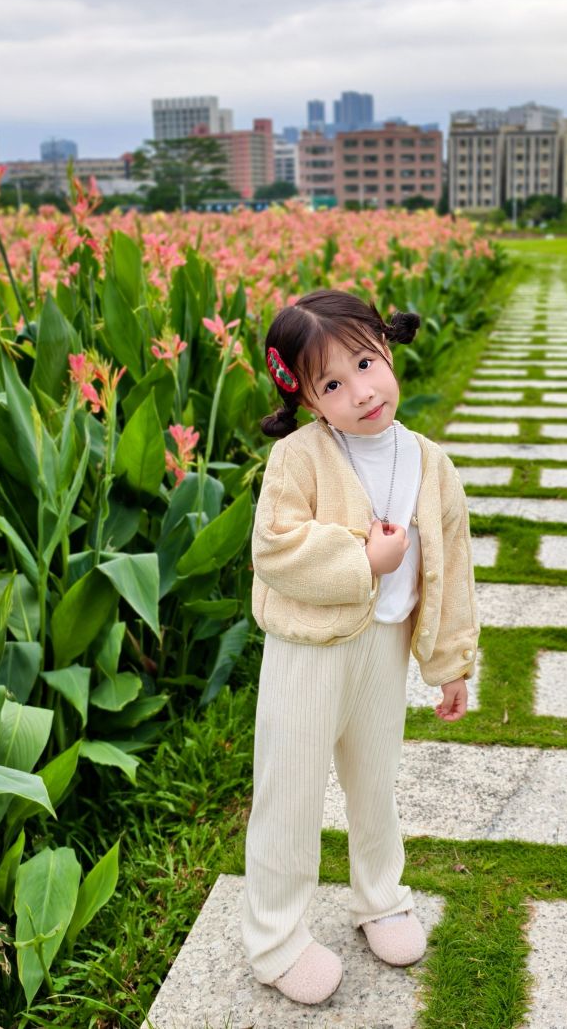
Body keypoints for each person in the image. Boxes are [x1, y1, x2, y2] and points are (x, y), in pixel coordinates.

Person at [241, 288, 479, 1005]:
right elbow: (274, 548)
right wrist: (361, 560)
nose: (362, 392)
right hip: (309, 653)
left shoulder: (429, 463)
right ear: (308, 400)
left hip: (386, 647)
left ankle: (381, 898)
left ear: (387, 347)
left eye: (366, 364)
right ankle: (277, 939)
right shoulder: (299, 459)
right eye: (333, 385)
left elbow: (453, 567)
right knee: (290, 790)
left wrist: (450, 663)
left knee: (376, 781)